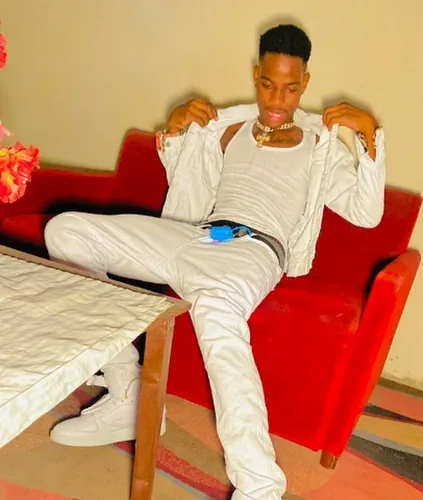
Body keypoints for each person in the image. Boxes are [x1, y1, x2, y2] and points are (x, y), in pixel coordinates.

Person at [44, 23, 385, 500]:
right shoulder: (231, 129)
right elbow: (187, 182)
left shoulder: (319, 147)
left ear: (305, 83)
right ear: (255, 74)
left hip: (253, 250)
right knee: (67, 232)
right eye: (267, 83)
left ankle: (259, 485)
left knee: (217, 316)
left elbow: (366, 213)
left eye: (290, 88)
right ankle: (128, 392)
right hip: (195, 235)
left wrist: (369, 134)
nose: (276, 99)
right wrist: (177, 127)